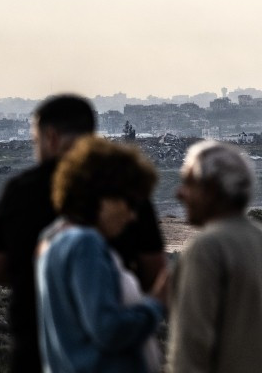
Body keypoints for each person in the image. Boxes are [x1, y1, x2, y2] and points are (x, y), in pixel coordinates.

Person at [0, 95, 165, 373]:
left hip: (37, 345)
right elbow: (154, 271)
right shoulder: (119, 195)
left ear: (50, 136)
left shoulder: (23, 195)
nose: (131, 215)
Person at [168, 140, 262, 373]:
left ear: (212, 189)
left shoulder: (206, 249)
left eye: (189, 183)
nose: (179, 193)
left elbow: (189, 353)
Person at [36, 136, 165, 372]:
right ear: (102, 196)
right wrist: (156, 304)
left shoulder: (53, 239)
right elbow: (108, 330)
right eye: (130, 203)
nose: (133, 216)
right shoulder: (86, 245)